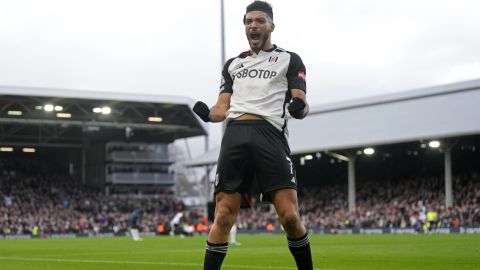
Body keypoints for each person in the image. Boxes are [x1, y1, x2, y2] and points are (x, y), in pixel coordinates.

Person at [193, 1, 313, 269]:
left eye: (259, 21)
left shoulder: (290, 59)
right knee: (223, 216)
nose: (253, 26)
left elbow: (302, 104)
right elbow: (222, 108)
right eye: (249, 22)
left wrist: (298, 107)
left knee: (290, 216)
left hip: (269, 135)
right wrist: (208, 114)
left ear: (271, 25)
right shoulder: (233, 64)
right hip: (235, 135)